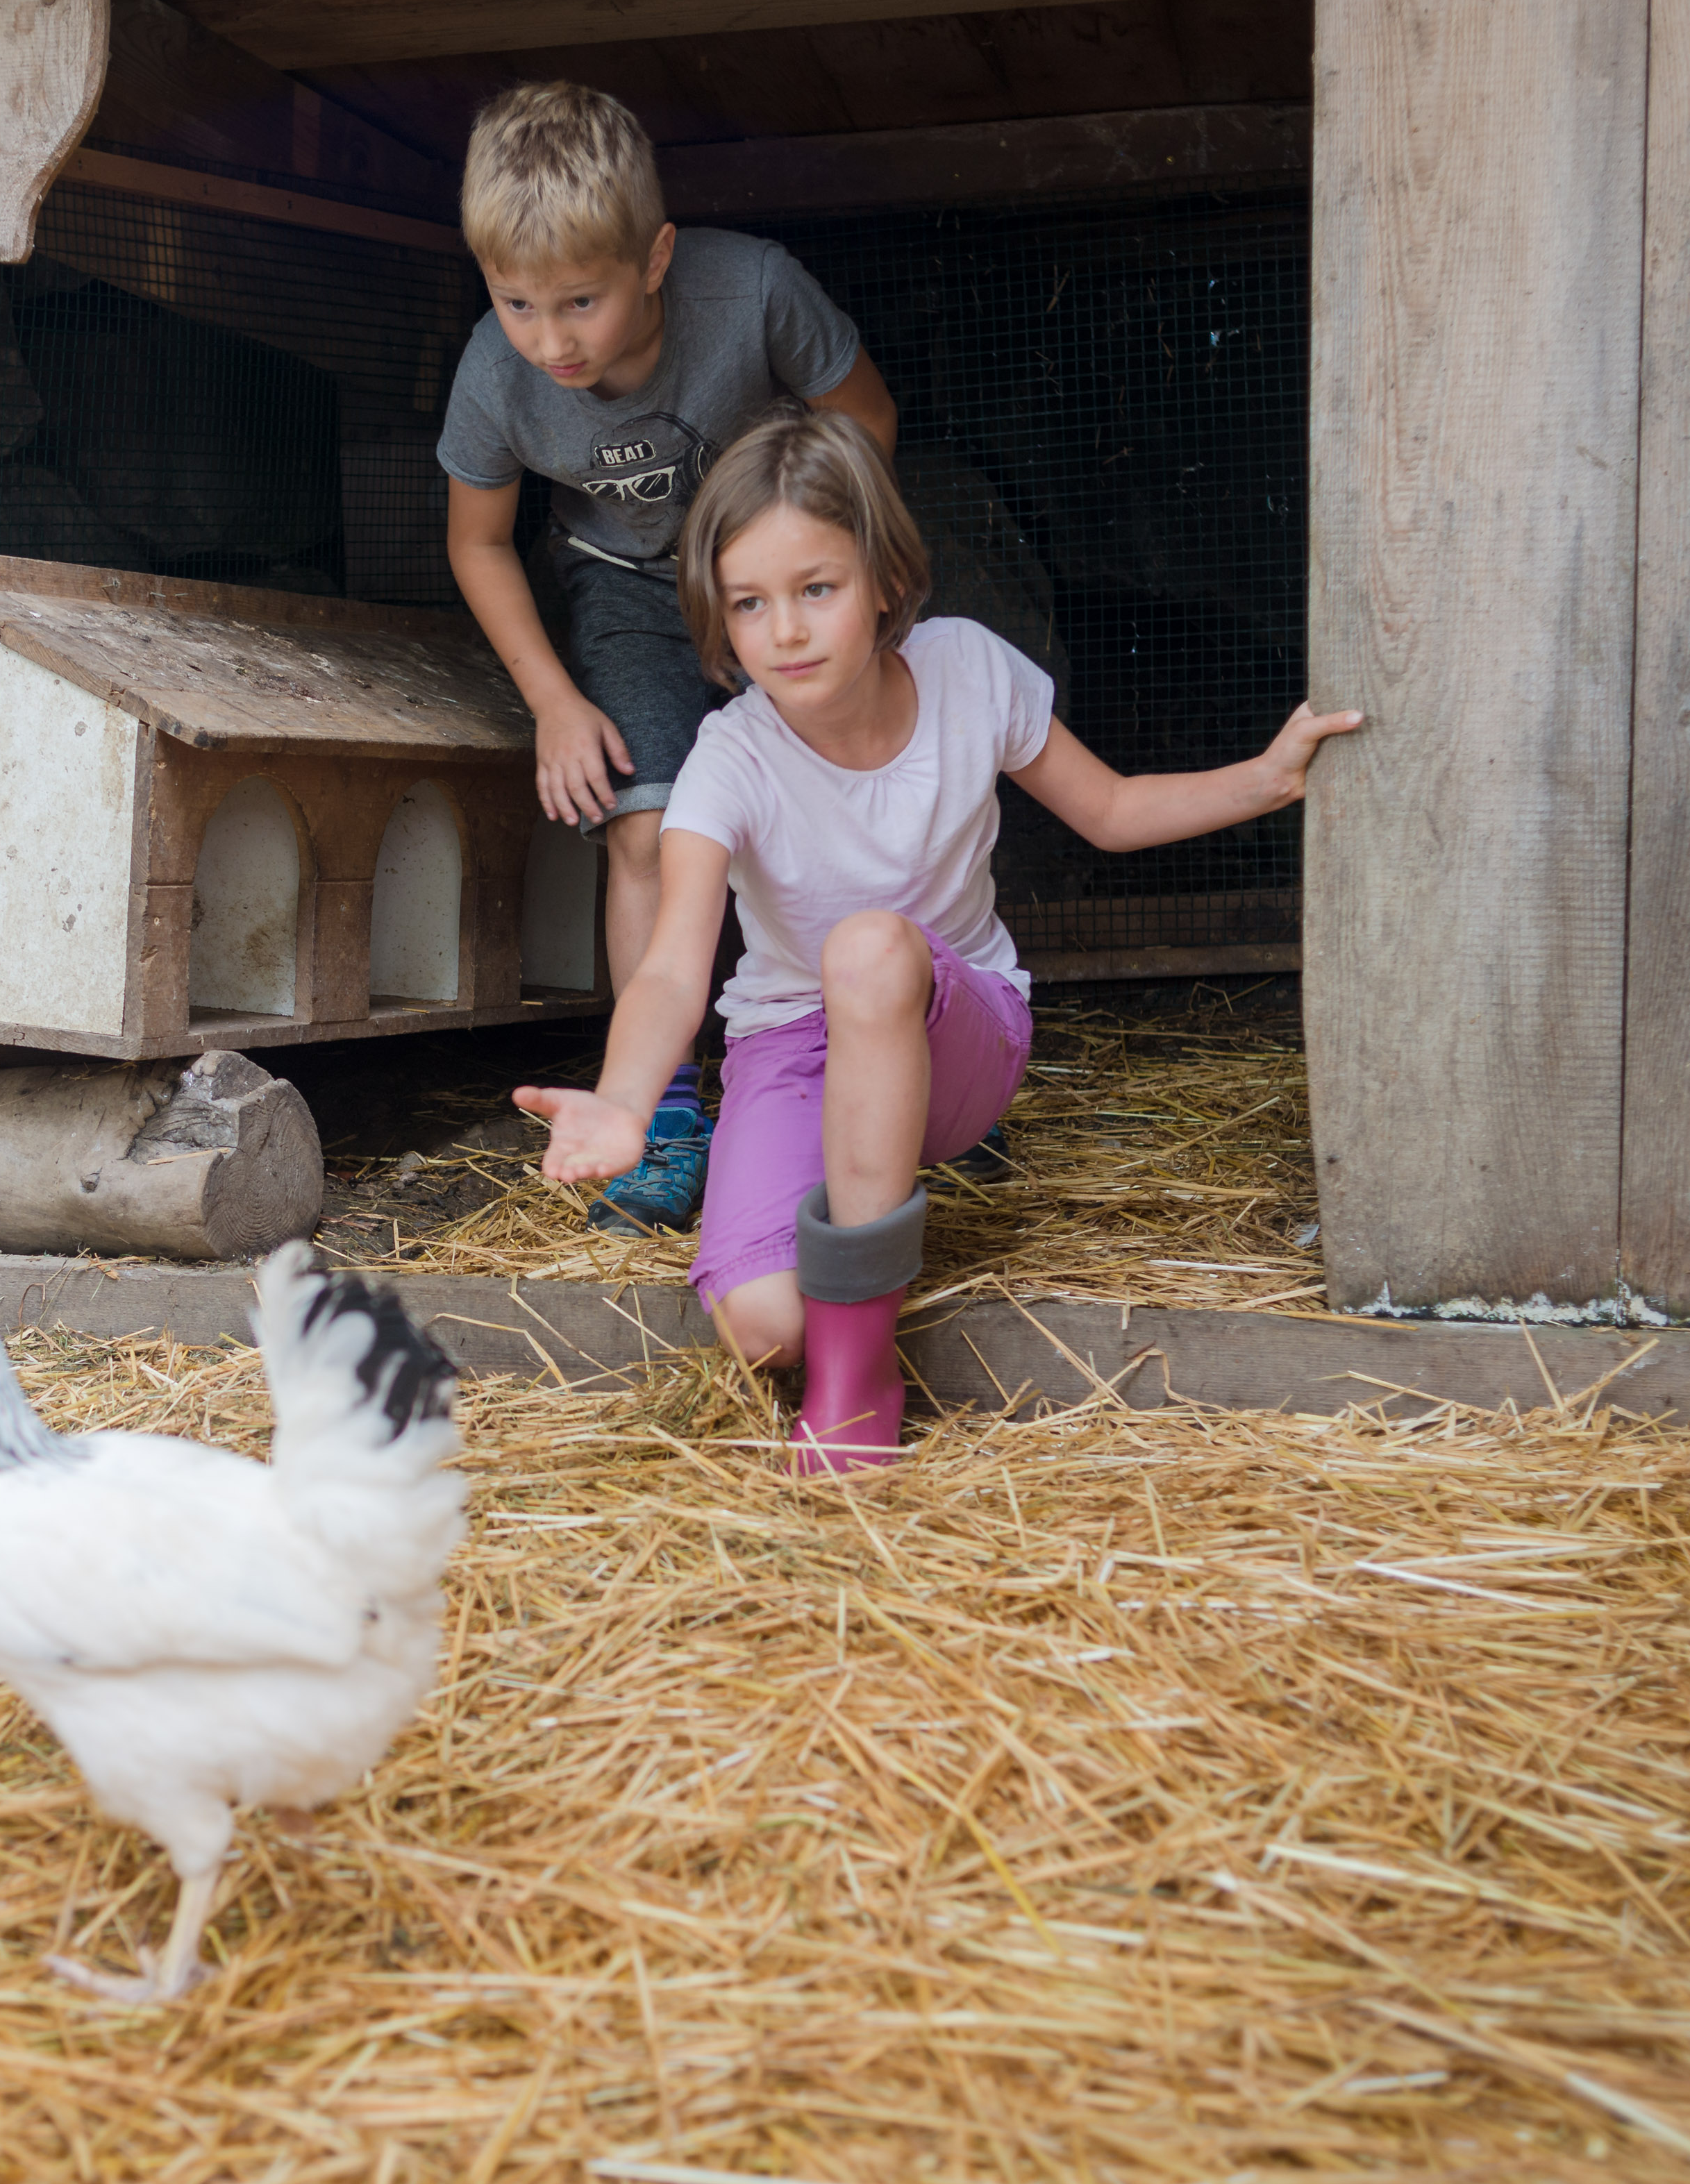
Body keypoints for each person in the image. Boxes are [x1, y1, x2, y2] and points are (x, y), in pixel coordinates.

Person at [518, 408, 1362, 1472]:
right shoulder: (726, 760)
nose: (785, 631)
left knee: (871, 949)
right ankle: (821, 1324)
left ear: (883, 579)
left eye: (815, 589)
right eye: (749, 604)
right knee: (765, 1324)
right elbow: (676, 968)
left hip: (956, 1035)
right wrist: (627, 1098)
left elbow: (1107, 809)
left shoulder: (969, 671)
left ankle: (859, 1381)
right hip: (792, 1049)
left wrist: (1266, 779)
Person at [439, 81, 896, 1238]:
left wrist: (797, 581)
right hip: (626, 589)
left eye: (579, 301)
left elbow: (868, 424)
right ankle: (664, 1112)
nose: (550, 339)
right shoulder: (497, 372)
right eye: (517, 302)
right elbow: (479, 540)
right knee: (644, 821)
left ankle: (897, 1061)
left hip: (769, 568)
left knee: (844, 773)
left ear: (657, 258)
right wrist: (553, 700)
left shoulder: (752, 290)